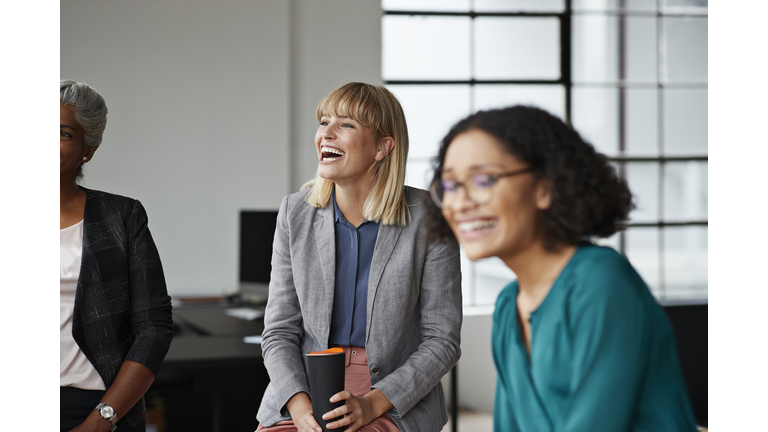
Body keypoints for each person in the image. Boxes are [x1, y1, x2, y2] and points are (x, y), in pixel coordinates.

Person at [426, 106, 697, 431]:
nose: (459, 203)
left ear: (545, 187)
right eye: (450, 186)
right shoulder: (508, 305)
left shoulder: (601, 281)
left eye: (482, 180)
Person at [256, 82, 462, 432]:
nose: (326, 134)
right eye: (324, 122)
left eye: (346, 124)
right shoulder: (295, 213)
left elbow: (442, 340)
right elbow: (278, 332)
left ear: (383, 147)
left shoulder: (429, 216)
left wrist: (371, 405)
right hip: (304, 391)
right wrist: (300, 406)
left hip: (392, 398)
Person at [60, 80, 173, 432]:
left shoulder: (121, 217)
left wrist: (102, 420)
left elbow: (153, 328)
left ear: (87, 150)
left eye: (62, 133)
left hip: (91, 408)